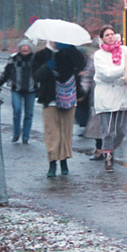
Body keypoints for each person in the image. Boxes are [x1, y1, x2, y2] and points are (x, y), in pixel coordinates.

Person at [32, 40, 86, 178]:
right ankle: (52, 162)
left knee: (66, 132)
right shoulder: (41, 55)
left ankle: (64, 160)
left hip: (68, 97)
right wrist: (46, 68)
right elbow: (35, 76)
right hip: (50, 99)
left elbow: (81, 64)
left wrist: (71, 48)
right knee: (52, 133)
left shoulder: (68, 52)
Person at [94, 25, 127, 173]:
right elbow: (106, 74)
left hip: (124, 94)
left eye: (112, 34)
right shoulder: (99, 55)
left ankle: (110, 149)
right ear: (102, 39)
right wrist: (123, 70)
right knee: (108, 131)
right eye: (107, 35)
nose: (110, 37)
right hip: (107, 96)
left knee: (122, 130)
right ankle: (108, 159)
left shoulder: (125, 50)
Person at [0, 39, 37, 144]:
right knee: (17, 111)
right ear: (19, 50)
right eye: (23, 51)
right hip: (17, 89)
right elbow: (6, 72)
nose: (25, 53)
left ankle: (26, 137)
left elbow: (40, 74)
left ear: (30, 50)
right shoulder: (14, 59)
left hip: (31, 90)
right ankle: (16, 134)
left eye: (26, 51)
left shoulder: (35, 60)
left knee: (29, 114)